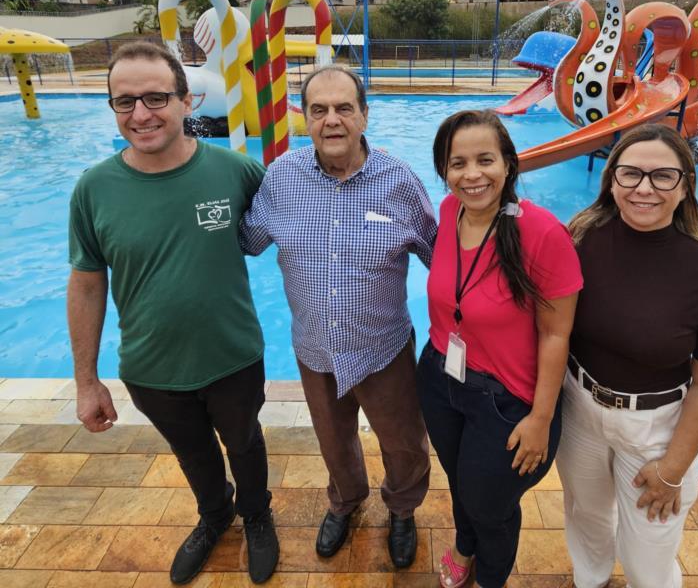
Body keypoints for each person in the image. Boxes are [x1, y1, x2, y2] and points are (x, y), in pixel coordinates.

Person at [67, 42, 279, 585]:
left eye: (156, 97)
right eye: (125, 102)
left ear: (188, 101)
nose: (141, 114)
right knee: (193, 455)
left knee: (245, 442)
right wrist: (86, 382)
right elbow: (88, 283)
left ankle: (256, 514)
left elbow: (305, 218)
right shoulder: (93, 190)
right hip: (151, 368)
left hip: (232, 357)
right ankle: (216, 515)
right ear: (113, 108)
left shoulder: (236, 172)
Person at [240, 65, 437, 568]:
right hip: (315, 347)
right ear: (305, 119)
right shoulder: (283, 177)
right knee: (333, 440)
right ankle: (345, 502)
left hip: (382, 346)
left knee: (403, 442)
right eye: (319, 109)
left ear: (364, 116)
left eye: (344, 108)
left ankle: (402, 508)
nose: (332, 120)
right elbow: (247, 240)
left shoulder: (397, 179)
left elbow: (441, 254)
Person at [559, 124, 698, 588]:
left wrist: (673, 468)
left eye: (662, 176)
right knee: (587, 520)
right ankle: (592, 581)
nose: (644, 188)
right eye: (630, 174)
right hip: (579, 407)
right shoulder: (580, 239)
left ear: (685, 186)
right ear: (612, 180)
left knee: (650, 553)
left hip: (656, 428)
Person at [417, 109, 582, 588]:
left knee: (490, 503)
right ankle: (465, 543)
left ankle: (491, 577)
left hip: (507, 399)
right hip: (441, 377)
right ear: (444, 171)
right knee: (460, 480)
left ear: (508, 164)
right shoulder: (449, 212)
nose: (471, 175)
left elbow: (556, 335)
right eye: (457, 164)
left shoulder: (543, 234)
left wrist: (541, 419)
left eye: (485, 160)